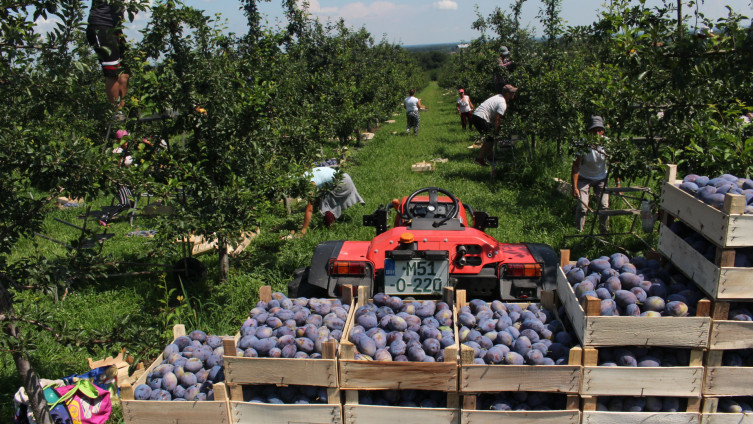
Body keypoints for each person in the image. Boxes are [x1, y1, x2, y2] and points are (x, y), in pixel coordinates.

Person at [86, 0, 130, 121]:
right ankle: (116, 113)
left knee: (125, 72)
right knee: (112, 72)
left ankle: (123, 108)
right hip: (101, 26)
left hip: (115, 27)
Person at [571, 115, 614, 233]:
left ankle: (604, 231)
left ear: (603, 131)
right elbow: (575, 166)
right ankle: (578, 231)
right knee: (582, 207)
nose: (596, 133)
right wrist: (575, 187)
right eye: (593, 130)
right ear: (589, 131)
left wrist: (618, 183)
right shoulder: (583, 144)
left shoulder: (607, 143)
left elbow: (615, 163)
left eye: (599, 130)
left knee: (604, 206)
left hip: (601, 178)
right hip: (584, 178)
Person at [300, 167, 365, 235]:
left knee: (326, 205)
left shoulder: (310, 183)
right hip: (344, 177)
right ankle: (329, 226)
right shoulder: (308, 173)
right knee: (322, 198)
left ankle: (329, 229)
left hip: (342, 183)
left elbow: (309, 209)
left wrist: (304, 229)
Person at [471, 84, 517, 166]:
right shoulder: (502, 103)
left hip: (477, 116)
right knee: (490, 137)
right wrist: (496, 130)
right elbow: (497, 118)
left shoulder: (499, 97)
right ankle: (479, 159)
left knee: (490, 138)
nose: (514, 94)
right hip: (480, 117)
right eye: (512, 92)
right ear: (507, 94)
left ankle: (490, 156)